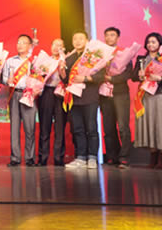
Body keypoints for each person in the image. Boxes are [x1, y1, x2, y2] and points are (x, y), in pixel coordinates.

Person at [63, 31, 106, 169]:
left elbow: (101, 76)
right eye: (75, 38)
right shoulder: (69, 59)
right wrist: (62, 73)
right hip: (74, 98)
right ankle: (80, 157)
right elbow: (66, 80)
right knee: (77, 128)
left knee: (91, 128)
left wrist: (85, 78)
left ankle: (92, 157)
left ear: (87, 41)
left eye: (81, 38)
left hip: (90, 96)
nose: (77, 41)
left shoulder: (93, 56)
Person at [100, 27, 133, 168]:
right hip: (104, 94)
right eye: (107, 35)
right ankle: (112, 156)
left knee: (123, 126)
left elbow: (128, 73)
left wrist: (112, 79)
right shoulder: (100, 54)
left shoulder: (124, 54)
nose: (109, 38)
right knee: (108, 127)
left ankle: (124, 157)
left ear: (118, 37)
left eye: (112, 35)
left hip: (120, 93)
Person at [3, 34, 37, 167]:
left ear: (30, 46)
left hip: (29, 94)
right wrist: (8, 80)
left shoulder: (34, 61)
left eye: (23, 42)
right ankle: (15, 158)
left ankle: (30, 157)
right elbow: (4, 78)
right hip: (15, 94)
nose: (20, 45)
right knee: (14, 127)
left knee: (30, 128)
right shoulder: (10, 61)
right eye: (18, 42)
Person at [37, 38, 68, 166]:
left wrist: (62, 67)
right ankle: (42, 157)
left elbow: (67, 79)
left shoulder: (66, 61)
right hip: (47, 92)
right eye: (54, 45)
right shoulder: (45, 61)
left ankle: (58, 157)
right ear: (50, 47)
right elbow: (38, 76)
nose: (56, 48)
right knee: (45, 125)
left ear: (63, 48)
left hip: (60, 93)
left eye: (60, 45)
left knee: (60, 126)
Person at [133, 32, 162, 169]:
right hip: (145, 96)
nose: (151, 44)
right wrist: (138, 75)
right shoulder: (141, 58)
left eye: (154, 42)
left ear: (159, 44)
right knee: (150, 126)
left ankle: (161, 158)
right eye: (148, 42)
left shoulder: (161, 58)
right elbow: (133, 76)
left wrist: (160, 78)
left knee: (159, 126)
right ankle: (153, 158)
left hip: (159, 95)